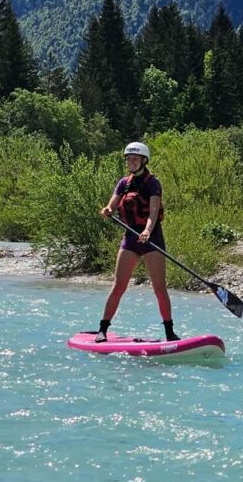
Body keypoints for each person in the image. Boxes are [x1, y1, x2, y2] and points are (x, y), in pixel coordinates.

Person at [96, 141, 180, 342]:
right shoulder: (123, 183)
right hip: (130, 241)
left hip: (152, 240)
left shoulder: (153, 183)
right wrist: (107, 210)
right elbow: (112, 204)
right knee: (118, 286)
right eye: (129, 159)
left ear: (143, 160)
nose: (131, 162)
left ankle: (169, 331)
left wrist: (147, 231)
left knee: (159, 288)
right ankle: (103, 329)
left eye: (135, 159)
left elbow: (153, 212)